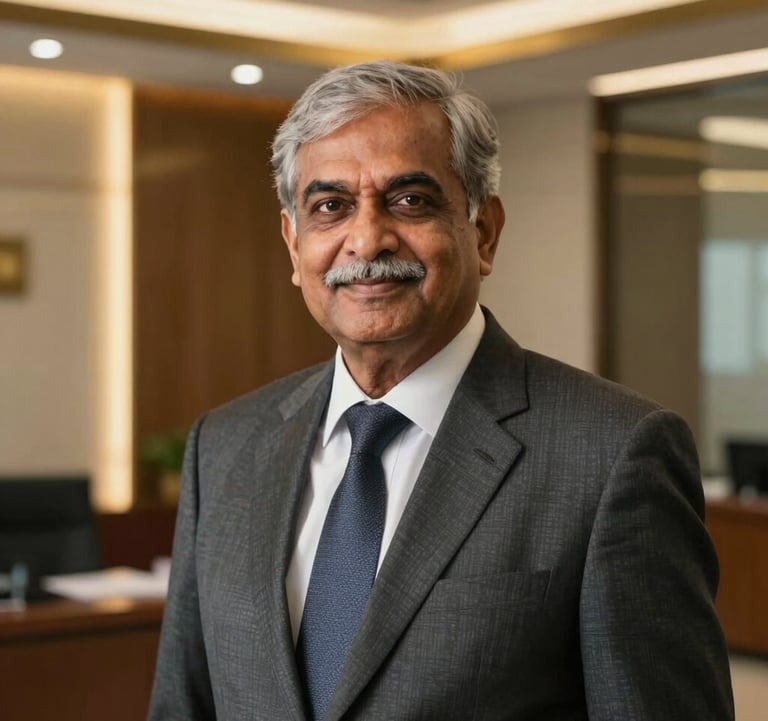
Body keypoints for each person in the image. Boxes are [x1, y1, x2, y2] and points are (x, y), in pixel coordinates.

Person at [147, 60, 734, 721]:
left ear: (483, 232)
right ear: (294, 244)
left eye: (410, 201)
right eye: (330, 206)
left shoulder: (612, 454)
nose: (366, 239)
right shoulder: (223, 447)